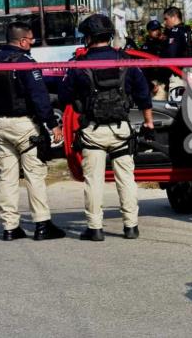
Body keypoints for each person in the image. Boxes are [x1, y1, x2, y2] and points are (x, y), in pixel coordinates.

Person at [58, 14, 154, 241]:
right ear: (109, 36)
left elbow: (64, 97)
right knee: (126, 179)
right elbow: (143, 95)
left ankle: (95, 228)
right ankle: (131, 226)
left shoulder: (78, 65)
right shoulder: (126, 61)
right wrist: (148, 122)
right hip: (121, 130)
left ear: (88, 38)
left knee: (94, 181)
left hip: (93, 131)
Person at [0, 21, 66, 241]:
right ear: (23, 41)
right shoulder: (25, 63)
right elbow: (39, 97)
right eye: (31, 39)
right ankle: (42, 224)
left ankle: (10, 227)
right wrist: (52, 123)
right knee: (34, 174)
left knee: (7, 177)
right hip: (24, 125)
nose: (32, 43)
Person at [162, 7, 192, 98]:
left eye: (166, 19)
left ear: (174, 17)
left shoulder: (175, 31)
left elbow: (171, 54)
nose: (165, 22)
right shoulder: (189, 30)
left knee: (175, 108)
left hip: (179, 74)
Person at [140, 19, 169, 101]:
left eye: (158, 29)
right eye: (154, 30)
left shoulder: (165, 43)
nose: (157, 32)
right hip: (153, 83)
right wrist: (150, 85)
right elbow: (142, 69)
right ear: (149, 31)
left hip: (164, 81)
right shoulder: (146, 47)